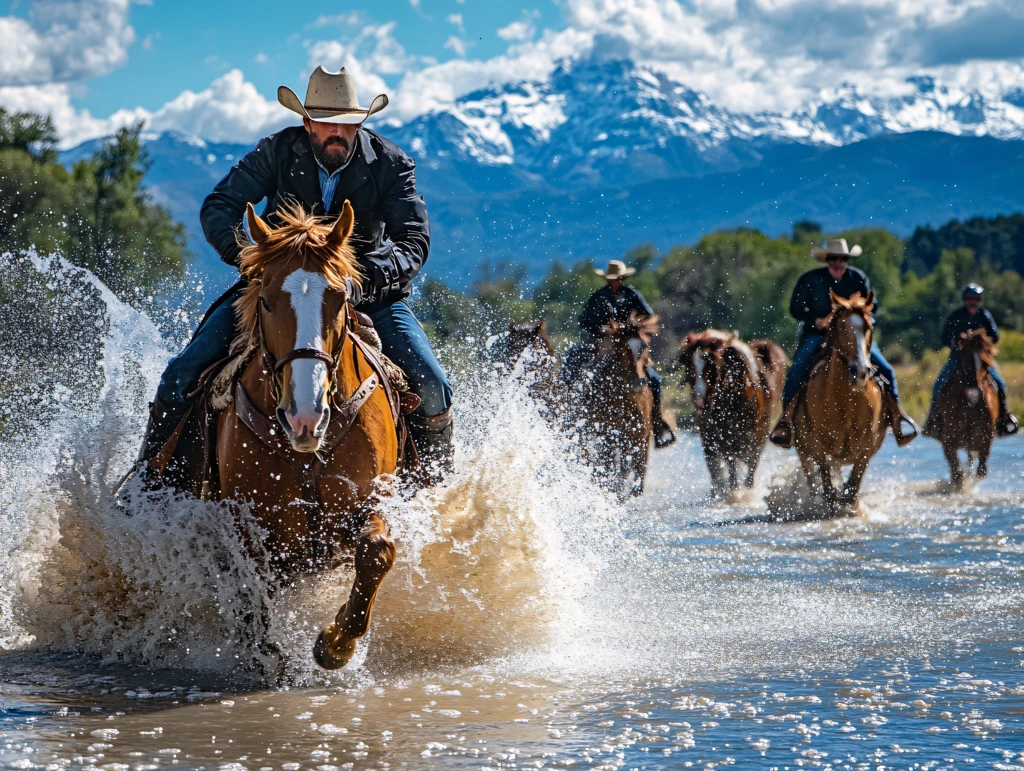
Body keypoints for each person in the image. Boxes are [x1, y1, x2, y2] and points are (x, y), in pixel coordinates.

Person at [140, 67, 454, 480]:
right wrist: (259, 260)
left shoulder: (392, 163)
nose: (336, 132)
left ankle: (435, 493)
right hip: (276, 292)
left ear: (360, 122)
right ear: (306, 122)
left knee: (432, 384)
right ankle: (150, 487)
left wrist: (364, 278)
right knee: (182, 373)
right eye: (326, 122)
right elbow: (218, 207)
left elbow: (413, 238)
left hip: (367, 296)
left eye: (346, 123)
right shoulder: (275, 151)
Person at [769, 238, 917, 449]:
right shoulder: (811, 280)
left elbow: (872, 306)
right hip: (818, 335)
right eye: (834, 259)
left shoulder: (858, 278)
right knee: (796, 371)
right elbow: (795, 309)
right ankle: (786, 421)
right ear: (827, 260)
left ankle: (897, 418)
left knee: (886, 369)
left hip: (854, 336)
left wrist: (857, 316)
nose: (838, 263)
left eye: (843, 259)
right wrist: (815, 320)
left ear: (847, 260)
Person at [568, 260, 676, 448]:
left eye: (617, 279)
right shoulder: (599, 296)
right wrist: (600, 329)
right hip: (605, 343)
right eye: (612, 279)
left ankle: (657, 423)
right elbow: (583, 320)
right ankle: (582, 417)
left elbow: (648, 316)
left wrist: (633, 326)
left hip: (631, 342)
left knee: (655, 380)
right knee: (589, 373)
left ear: (622, 278)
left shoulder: (632, 294)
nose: (615, 282)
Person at [922, 283, 1018, 438]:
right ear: (964, 300)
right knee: (939, 384)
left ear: (979, 300)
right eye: (968, 298)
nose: (972, 302)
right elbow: (945, 336)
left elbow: (995, 336)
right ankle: (933, 421)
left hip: (981, 359)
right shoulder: (956, 315)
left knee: (999, 384)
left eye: (975, 298)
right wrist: (955, 341)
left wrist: (981, 339)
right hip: (958, 357)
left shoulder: (985, 315)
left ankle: (1003, 417)